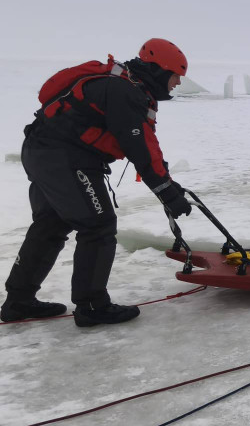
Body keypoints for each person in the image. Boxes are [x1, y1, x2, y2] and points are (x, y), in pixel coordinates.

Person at [1, 39, 194, 327]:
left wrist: (167, 183)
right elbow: (138, 147)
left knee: (50, 225)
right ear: (157, 70)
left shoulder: (124, 86)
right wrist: (167, 192)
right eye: (175, 75)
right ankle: (92, 305)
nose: (178, 82)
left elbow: (146, 145)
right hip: (65, 159)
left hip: (43, 152)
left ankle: (19, 300)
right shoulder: (123, 91)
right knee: (98, 225)